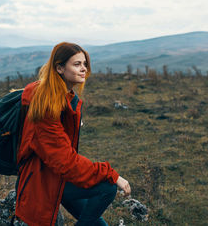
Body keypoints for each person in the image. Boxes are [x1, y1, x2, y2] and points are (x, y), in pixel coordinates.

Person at [15, 42, 131, 226]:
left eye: (84, 64)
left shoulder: (64, 97)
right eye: (76, 64)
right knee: (107, 187)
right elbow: (64, 160)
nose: (84, 69)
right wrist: (112, 174)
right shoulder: (46, 105)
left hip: (56, 175)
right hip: (42, 180)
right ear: (59, 68)